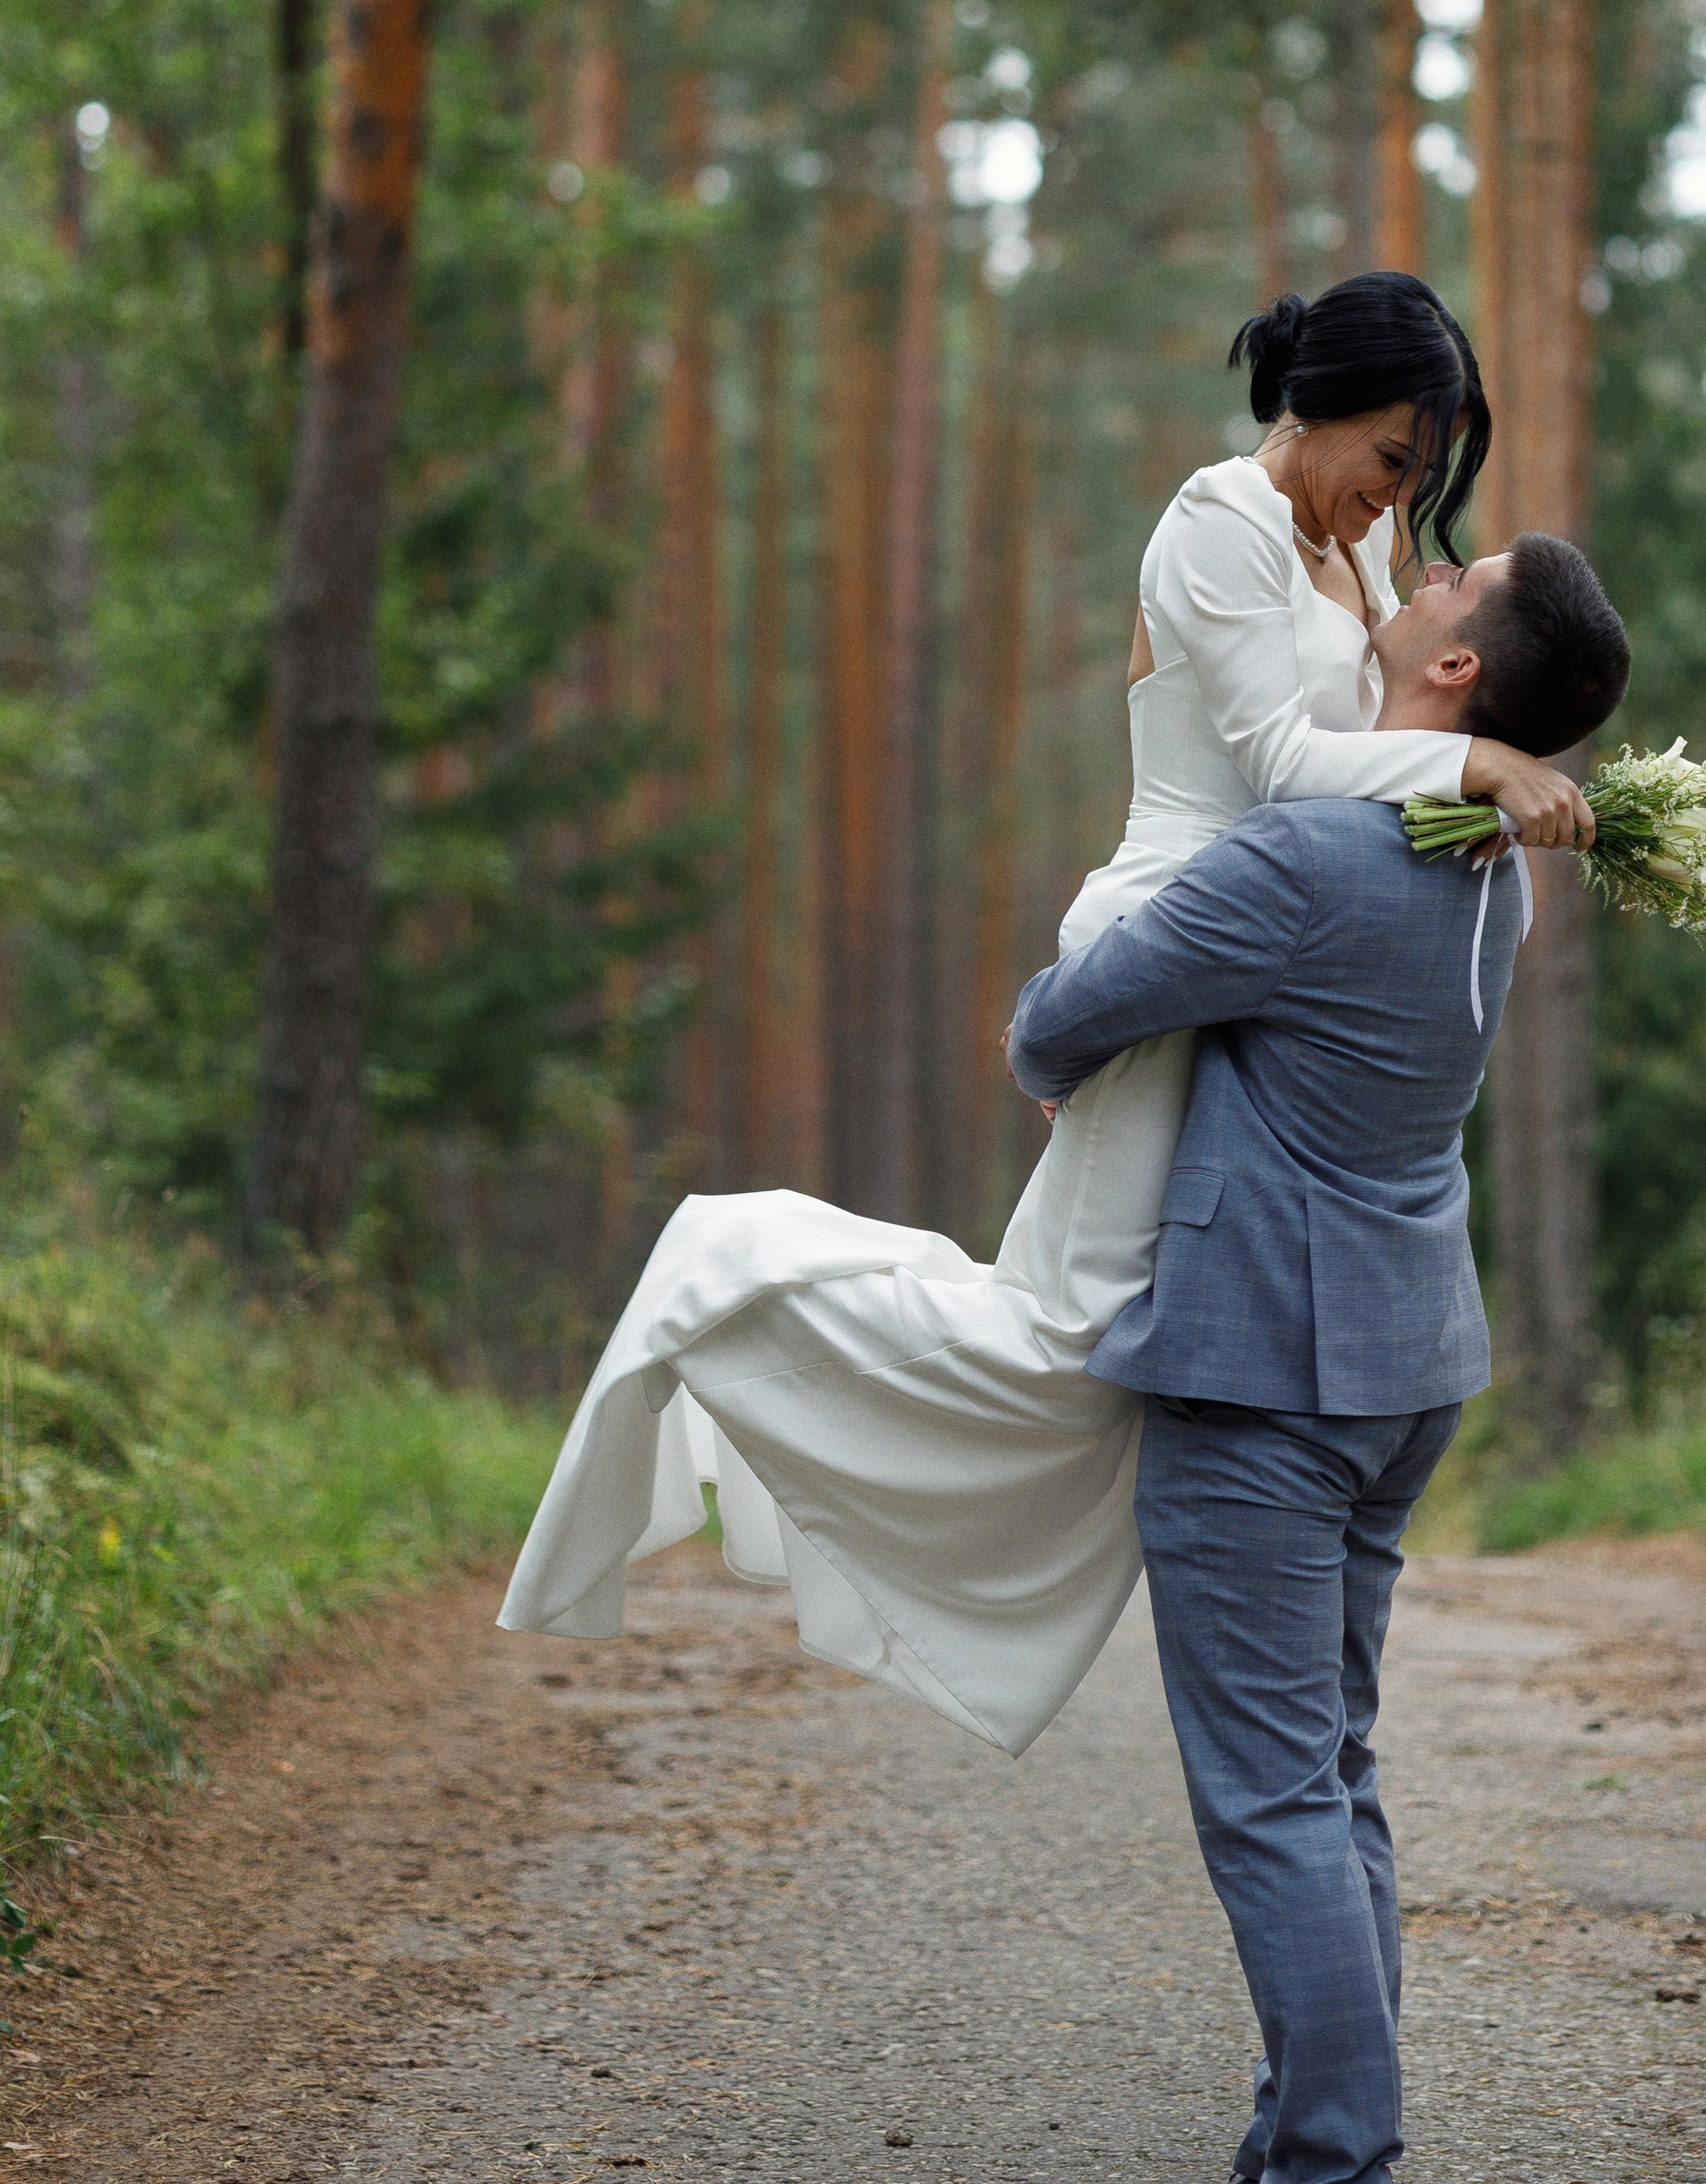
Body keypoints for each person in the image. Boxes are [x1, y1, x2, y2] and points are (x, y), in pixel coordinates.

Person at [499, 272, 1593, 1756]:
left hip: (1260, 968)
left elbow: (1384, 732)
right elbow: (1281, 763)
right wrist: (1475, 779)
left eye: (1422, 472)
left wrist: (1481, 794)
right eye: (1393, 458)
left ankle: (981, 1572)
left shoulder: (1367, 537)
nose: (1401, 499)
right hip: (1171, 937)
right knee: (1055, 1338)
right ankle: (726, 1272)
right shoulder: (1218, 521)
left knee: (1102, 1350)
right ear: (1313, 404)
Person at [1004, 534, 1632, 2184]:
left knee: (1273, 1792)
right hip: (1402, 1354)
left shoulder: (1305, 856)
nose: (1424, 573)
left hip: (1266, 1370)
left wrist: (1045, 1042)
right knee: (1330, 1771)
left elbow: (1066, 1018)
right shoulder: (1482, 861)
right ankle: (1304, 2157)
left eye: (1459, 577)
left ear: (1454, 670)